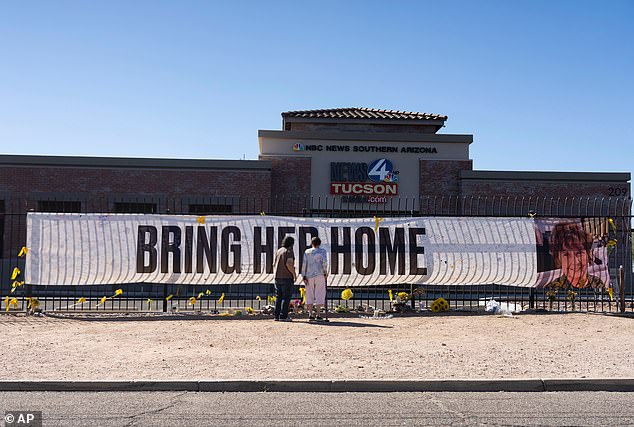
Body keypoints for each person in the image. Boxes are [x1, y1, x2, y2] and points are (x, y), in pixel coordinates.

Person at [545, 221, 605, 289]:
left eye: (579, 253)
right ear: (558, 259)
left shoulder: (597, 283)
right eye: (567, 255)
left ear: (588, 254)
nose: (575, 261)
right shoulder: (551, 289)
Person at [301, 236, 328, 321]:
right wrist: (325, 273)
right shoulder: (323, 251)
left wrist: (303, 275)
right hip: (320, 274)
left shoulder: (307, 252)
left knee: (309, 293)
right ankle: (318, 314)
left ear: (312, 243)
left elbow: (304, 264)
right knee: (319, 293)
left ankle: (310, 314)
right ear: (319, 244)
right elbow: (324, 263)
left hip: (309, 275)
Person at [272, 236, 297, 321]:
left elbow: (274, 264)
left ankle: (277, 316)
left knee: (278, 297)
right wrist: (294, 274)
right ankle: (283, 316)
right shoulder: (289, 251)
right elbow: (289, 263)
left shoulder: (279, 251)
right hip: (287, 277)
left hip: (277, 277)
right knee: (286, 298)